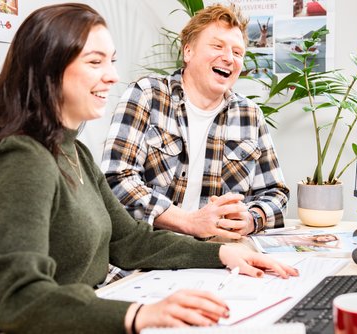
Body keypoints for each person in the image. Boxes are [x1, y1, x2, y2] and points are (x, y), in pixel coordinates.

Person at [0, 4, 298, 334]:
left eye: (112, 61)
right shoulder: (22, 159)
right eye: (95, 61)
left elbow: (129, 240)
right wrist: (138, 314)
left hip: (98, 304)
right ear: (49, 67)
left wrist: (224, 252)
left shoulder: (74, 152)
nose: (113, 76)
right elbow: (19, 299)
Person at [102, 4, 289, 241]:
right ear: (188, 52)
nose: (229, 58)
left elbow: (276, 193)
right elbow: (116, 181)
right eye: (217, 46)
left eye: (238, 52)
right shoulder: (147, 95)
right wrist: (189, 222)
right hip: (147, 251)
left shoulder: (250, 115)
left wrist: (252, 219)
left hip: (220, 253)